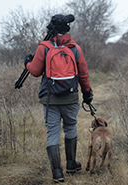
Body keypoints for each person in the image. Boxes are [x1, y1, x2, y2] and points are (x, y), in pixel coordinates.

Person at [24, 14, 93, 183]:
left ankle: (57, 173)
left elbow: (34, 71)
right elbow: (83, 74)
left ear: (51, 28)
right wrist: (87, 94)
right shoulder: (75, 48)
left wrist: (27, 62)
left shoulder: (44, 47)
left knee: (52, 133)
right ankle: (71, 164)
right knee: (70, 127)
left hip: (50, 99)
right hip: (71, 98)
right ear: (67, 29)